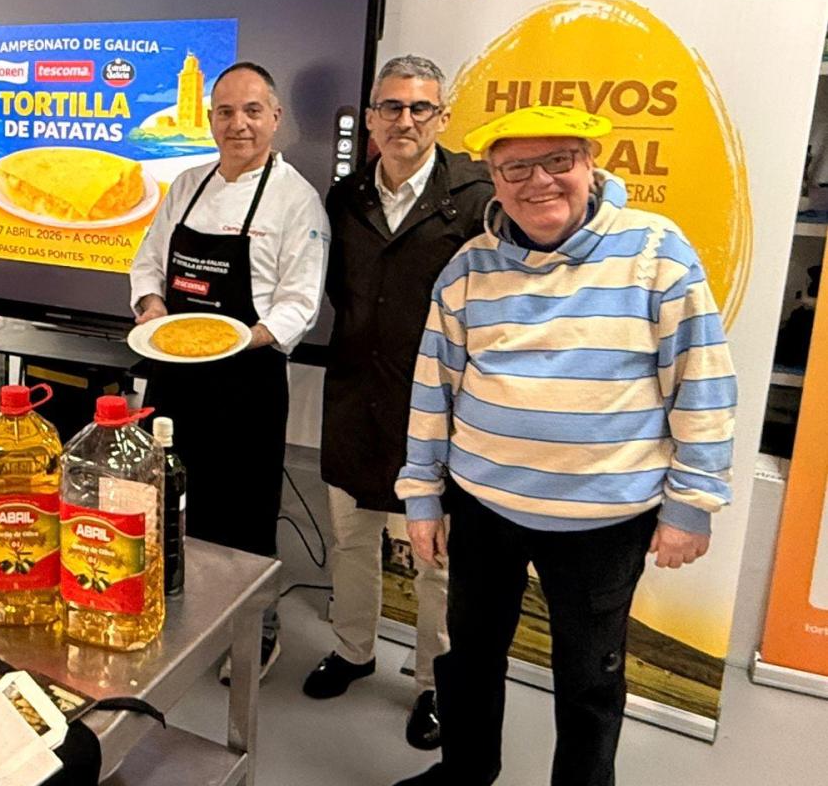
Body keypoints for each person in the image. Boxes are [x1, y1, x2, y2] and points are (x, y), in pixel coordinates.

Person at [393, 105, 736, 786]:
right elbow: (433, 388)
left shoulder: (657, 252)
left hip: (603, 521)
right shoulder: (468, 269)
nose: (539, 181)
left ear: (590, 164)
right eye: (516, 167)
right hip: (484, 506)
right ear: (494, 179)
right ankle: (465, 774)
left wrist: (691, 505)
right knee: (470, 658)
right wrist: (422, 495)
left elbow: (702, 382)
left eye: (559, 161)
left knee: (589, 678)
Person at [310, 55, 493, 748]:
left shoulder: (475, 197)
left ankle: (432, 685)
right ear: (371, 118)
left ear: (442, 118)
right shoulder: (346, 196)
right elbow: (338, 290)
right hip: (355, 395)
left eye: (420, 108)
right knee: (351, 538)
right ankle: (353, 649)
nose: (404, 120)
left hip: (440, 409)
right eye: (391, 107)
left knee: (434, 560)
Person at [130, 61, 330, 679]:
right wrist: (153, 306)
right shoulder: (188, 184)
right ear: (211, 119)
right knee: (167, 497)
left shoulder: (297, 200)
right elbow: (147, 261)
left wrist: (240, 337)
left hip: (247, 381)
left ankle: (255, 630)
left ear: (275, 117)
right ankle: (174, 609)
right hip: (173, 373)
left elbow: (300, 301)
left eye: (251, 111)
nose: (237, 124)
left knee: (243, 513)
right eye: (224, 111)